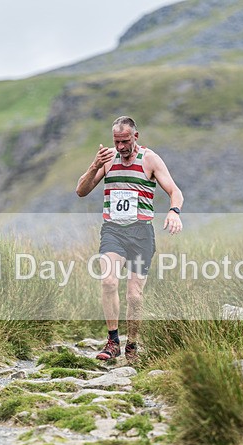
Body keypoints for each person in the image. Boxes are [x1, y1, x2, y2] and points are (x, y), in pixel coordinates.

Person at [76, 116, 183, 362]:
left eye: (125, 141)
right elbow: (81, 191)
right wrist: (94, 166)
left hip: (141, 233)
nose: (121, 147)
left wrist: (174, 212)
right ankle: (112, 341)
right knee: (108, 282)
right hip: (113, 230)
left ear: (135, 136)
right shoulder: (107, 159)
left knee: (134, 295)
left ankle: (132, 344)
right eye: (117, 141)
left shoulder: (150, 159)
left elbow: (175, 191)